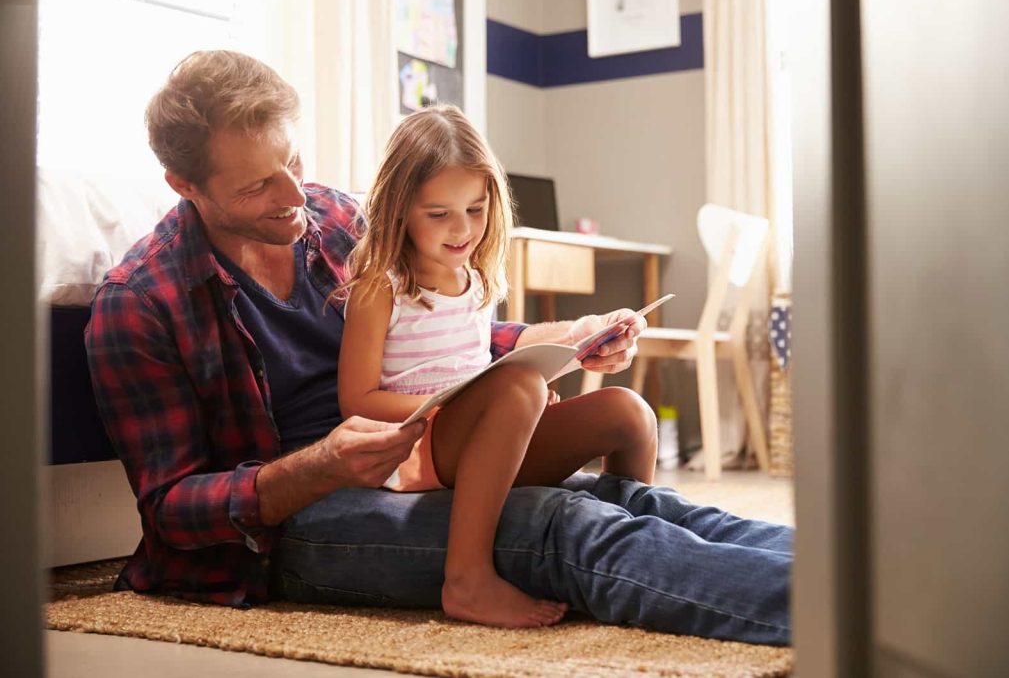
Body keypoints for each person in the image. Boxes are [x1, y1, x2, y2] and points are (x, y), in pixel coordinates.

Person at [85, 50, 793, 645]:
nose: (295, 191)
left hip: (427, 448)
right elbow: (171, 508)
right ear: (184, 185)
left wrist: (562, 340)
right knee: (564, 523)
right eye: (259, 182)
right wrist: (317, 465)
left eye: (293, 158)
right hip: (300, 521)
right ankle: (838, 610)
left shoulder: (336, 220)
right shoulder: (141, 304)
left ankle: (865, 567)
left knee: (629, 500)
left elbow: (441, 337)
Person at [338, 104, 657, 628]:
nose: (462, 229)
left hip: (483, 441)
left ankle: (631, 551)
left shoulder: (478, 281)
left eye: (477, 209)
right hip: (418, 449)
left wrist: (524, 394)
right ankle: (466, 579)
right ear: (399, 211)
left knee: (629, 413)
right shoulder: (380, 287)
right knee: (516, 388)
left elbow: (480, 363)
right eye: (439, 214)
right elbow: (357, 402)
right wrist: (474, 404)